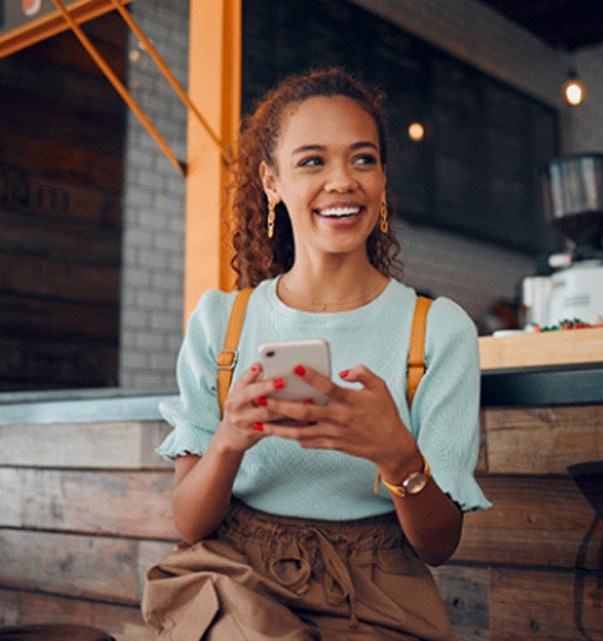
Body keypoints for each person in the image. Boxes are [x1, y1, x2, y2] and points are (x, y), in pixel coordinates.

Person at [142, 67, 491, 641]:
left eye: (362, 159)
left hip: (381, 598)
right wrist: (229, 439)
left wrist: (398, 458)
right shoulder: (219, 323)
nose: (342, 181)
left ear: (381, 179)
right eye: (312, 161)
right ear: (271, 181)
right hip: (237, 581)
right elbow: (190, 522)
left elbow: (437, 547)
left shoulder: (436, 331)